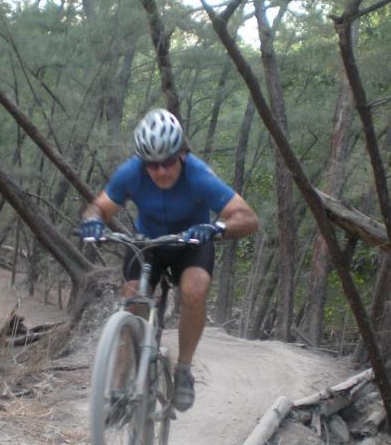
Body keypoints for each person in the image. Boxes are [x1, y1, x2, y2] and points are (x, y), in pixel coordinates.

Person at [79, 108, 259, 412]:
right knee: (133, 296)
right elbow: (99, 207)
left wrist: (218, 227)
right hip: (148, 243)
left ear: (182, 154)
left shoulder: (198, 175)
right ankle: (118, 389)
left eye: (168, 162)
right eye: (152, 165)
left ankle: (184, 369)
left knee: (195, 290)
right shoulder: (131, 173)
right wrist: (93, 221)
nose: (161, 171)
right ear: (142, 162)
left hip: (191, 243)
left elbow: (248, 218)